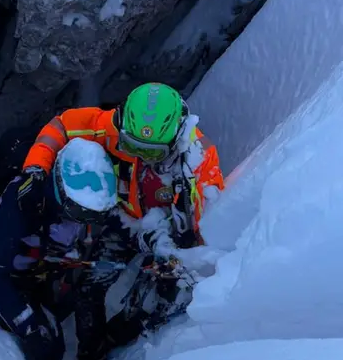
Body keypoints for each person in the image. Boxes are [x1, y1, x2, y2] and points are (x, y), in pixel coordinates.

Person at [0, 138, 121, 360]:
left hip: (42, 270)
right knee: (47, 347)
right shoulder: (22, 201)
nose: (86, 219)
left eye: (92, 214)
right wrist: (28, 323)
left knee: (63, 317)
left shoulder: (81, 203)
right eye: (79, 211)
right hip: (5, 277)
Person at [20, 82, 225, 255]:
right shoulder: (114, 126)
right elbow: (61, 126)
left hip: (153, 230)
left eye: (151, 153)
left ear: (175, 140)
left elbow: (204, 226)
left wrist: (164, 240)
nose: (140, 156)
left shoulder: (200, 160)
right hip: (117, 215)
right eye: (132, 146)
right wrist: (36, 167)